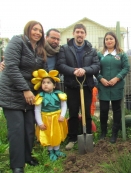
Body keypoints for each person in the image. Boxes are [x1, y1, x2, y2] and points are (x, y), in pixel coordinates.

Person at [0, 21, 46, 173]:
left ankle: (27, 157)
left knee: (28, 128)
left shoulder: (39, 50)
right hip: (12, 92)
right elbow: (11, 67)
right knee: (17, 129)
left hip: (30, 95)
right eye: (35, 29)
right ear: (28, 29)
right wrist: (25, 89)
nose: (37, 33)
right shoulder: (17, 41)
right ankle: (17, 165)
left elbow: (42, 72)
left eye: (40, 30)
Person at [56, 24, 100, 150]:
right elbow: (61, 65)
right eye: (77, 32)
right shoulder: (65, 48)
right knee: (73, 112)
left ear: (85, 34)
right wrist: (73, 71)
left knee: (87, 112)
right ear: (73, 34)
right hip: (72, 86)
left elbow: (96, 66)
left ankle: (87, 136)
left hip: (86, 86)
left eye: (82, 32)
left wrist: (84, 70)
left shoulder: (91, 50)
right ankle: (73, 138)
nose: (79, 34)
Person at [97, 31, 129, 143]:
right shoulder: (100, 54)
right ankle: (103, 133)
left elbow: (126, 68)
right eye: (107, 39)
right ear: (104, 41)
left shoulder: (121, 54)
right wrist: (101, 78)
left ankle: (114, 134)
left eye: (111, 38)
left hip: (117, 86)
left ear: (115, 40)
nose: (109, 41)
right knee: (103, 110)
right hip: (103, 86)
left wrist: (117, 78)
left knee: (116, 110)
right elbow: (95, 69)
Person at [32, 69, 68, 161]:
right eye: (43, 83)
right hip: (46, 119)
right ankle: (50, 151)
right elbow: (37, 110)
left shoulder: (59, 94)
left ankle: (57, 149)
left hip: (57, 118)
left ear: (54, 85)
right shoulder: (40, 96)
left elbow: (64, 106)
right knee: (48, 134)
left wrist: (62, 115)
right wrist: (40, 123)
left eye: (48, 82)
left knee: (57, 134)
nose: (46, 84)